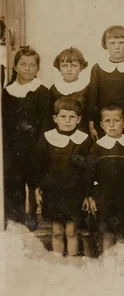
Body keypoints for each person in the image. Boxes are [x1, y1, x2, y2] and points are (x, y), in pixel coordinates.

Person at [31, 98, 93, 258]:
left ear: (79, 119)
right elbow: (38, 166)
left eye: (72, 117)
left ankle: (72, 265)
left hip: (75, 194)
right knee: (57, 231)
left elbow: (89, 170)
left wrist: (88, 194)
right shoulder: (46, 138)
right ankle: (59, 266)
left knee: (72, 231)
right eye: (63, 116)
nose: (67, 121)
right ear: (55, 119)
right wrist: (37, 189)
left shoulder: (84, 140)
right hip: (53, 193)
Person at [2, 46, 53, 230]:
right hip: (12, 146)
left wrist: (40, 147)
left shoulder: (42, 91)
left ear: (37, 68)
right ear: (15, 67)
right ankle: (14, 216)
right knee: (13, 180)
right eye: (23, 64)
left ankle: (31, 215)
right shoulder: (7, 92)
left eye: (32, 65)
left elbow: (46, 123)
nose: (27, 68)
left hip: (34, 146)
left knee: (33, 181)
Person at [84, 104, 124, 255]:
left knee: (123, 235)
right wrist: (90, 196)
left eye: (116, 121)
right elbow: (89, 173)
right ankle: (109, 272)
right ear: (102, 125)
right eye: (107, 121)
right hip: (104, 198)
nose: (111, 124)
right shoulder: (97, 147)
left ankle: (122, 271)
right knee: (108, 234)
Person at [88, 25, 124, 140]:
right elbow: (92, 99)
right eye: (112, 43)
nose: (117, 47)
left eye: (121, 42)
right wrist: (91, 125)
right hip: (104, 124)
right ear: (105, 45)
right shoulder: (97, 69)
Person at [49, 47, 90, 132]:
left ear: (81, 67)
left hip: (81, 131)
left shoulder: (87, 88)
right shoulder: (54, 89)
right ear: (59, 67)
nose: (69, 69)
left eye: (74, 66)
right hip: (58, 132)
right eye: (64, 66)